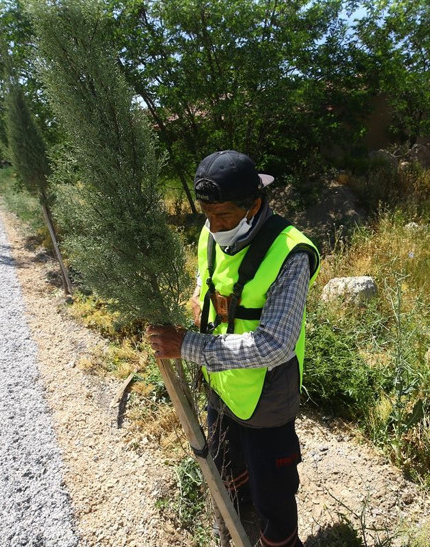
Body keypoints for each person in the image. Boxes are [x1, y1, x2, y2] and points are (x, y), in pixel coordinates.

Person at [146, 150, 320, 547]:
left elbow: (275, 344)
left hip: (267, 395)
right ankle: (233, 525)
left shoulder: (289, 253)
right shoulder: (212, 232)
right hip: (221, 382)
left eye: (223, 215)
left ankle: (278, 540)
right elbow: (205, 277)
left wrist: (188, 345)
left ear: (254, 205)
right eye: (207, 215)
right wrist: (197, 297)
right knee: (226, 466)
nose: (214, 225)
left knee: (272, 492)